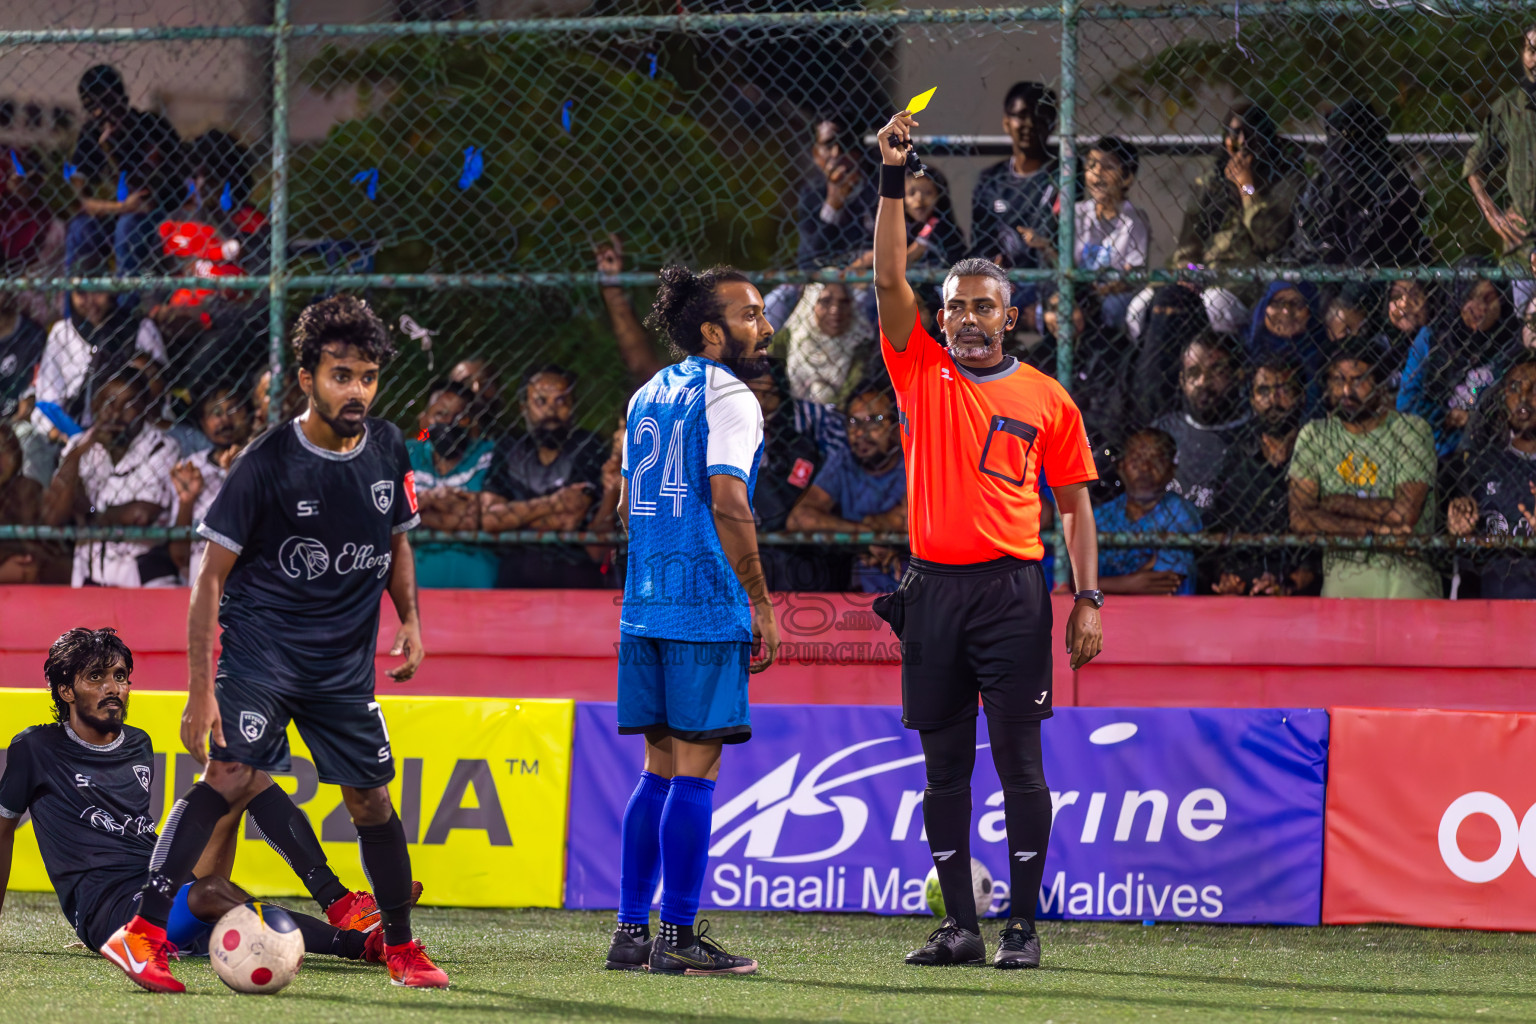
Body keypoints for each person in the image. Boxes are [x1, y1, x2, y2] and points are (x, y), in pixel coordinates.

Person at [98, 295, 448, 992]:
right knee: (226, 776)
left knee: (372, 803)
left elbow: (399, 539)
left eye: (368, 376)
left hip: (343, 669)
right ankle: (140, 934)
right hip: (263, 655)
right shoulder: (266, 462)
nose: (357, 390)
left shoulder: (386, 446)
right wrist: (201, 693)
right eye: (341, 374)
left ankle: (401, 948)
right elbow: (208, 581)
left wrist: (410, 621)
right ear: (307, 379)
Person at [871, 107, 1103, 970]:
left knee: (1021, 769)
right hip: (930, 591)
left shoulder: (1048, 398)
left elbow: (1076, 507)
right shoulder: (920, 370)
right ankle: (960, 927)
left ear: (1010, 318)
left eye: (983, 308)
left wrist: (1087, 599)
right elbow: (890, 279)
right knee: (942, 773)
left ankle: (1024, 928)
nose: (966, 319)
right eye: (954, 307)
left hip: (1013, 594)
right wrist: (894, 174)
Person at [0, 628, 386, 974]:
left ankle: (340, 904)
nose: (112, 688)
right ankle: (358, 945)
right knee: (212, 891)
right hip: (113, 910)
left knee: (244, 775)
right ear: (66, 691)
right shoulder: (35, 748)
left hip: (164, 882)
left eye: (119, 677)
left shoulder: (137, 742)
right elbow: (3, 833)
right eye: (96, 678)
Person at [606, 263, 777, 977]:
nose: (765, 326)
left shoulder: (648, 392)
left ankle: (629, 933)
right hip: (705, 608)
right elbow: (730, 501)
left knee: (658, 771)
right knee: (697, 776)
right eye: (750, 315)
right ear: (713, 331)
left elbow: (622, 506)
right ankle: (677, 937)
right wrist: (761, 602)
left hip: (644, 606)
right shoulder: (730, 394)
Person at [1289, 346, 1439, 598]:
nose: (1347, 391)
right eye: (1338, 380)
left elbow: (1404, 515)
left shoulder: (1410, 430)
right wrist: (1376, 532)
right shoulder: (1315, 436)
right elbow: (1301, 518)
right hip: (1342, 589)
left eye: (1358, 380)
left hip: (1406, 585)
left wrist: (1333, 503)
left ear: (1380, 385)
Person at [42, 367, 181, 588]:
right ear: (95, 406)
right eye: (109, 403)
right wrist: (79, 453)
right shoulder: (80, 446)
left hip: (142, 573)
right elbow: (55, 516)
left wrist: (88, 516)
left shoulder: (162, 447)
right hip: (88, 572)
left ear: (144, 409)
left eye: (128, 406)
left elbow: (140, 514)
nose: (116, 414)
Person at [480, 364, 608, 588]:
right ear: (524, 407)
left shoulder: (588, 445)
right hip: (516, 577)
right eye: (541, 401)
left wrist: (515, 516)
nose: (551, 410)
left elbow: (572, 516)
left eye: (560, 401)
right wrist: (555, 504)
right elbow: (491, 519)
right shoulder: (509, 447)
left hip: (575, 576)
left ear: (572, 406)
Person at [64, 66, 184, 301]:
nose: (100, 112)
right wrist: (120, 207)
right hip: (120, 211)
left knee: (128, 229)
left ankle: (126, 312)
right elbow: (79, 201)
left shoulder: (151, 127)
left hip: (160, 212)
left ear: (124, 99)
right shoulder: (91, 134)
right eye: (91, 107)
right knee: (80, 231)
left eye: (106, 102)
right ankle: (74, 317)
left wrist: (116, 153)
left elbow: (153, 193)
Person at [1209, 358, 1321, 597]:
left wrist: (1293, 583)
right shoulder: (1234, 458)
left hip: (1304, 589)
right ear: (1252, 400)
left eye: (1284, 390)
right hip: (1244, 586)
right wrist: (1229, 576)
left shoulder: (1319, 454)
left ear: (1301, 397)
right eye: (1264, 391)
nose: (1273, 400)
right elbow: (1217, 526)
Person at [29, 260, 167, 446]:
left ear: (111, 290)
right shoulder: (63, 333)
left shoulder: (139, 329)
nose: (90, 301)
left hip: (130, 430)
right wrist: (62, 435)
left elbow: (162, 395)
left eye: (97, 290)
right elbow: (47, 399)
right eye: (81, 293)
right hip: (71, 432)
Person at [786, 384, 908, 592]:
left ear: (897, 426)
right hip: (865, 585)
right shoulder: (844, 459)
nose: (860, 432)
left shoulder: (916, 457)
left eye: (874, 421)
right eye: (853, 422)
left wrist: (884, 529)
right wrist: (865, 536)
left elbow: (910, 517)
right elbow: (799, 518)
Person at [1023, 137, 1150, 331]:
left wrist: (1098, 291)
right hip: (1081, 290)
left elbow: (1129, 277)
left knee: (1111, 308)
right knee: (1051, 306)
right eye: (1091, 165)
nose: (1097, 173)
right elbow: (1068, 267)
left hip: (1111, 293)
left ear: (1126, 177)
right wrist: (1046, 247)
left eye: (1108, 167)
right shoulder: (1077, 213)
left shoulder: (1134, 221)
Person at [1288, 99, 1427, 267]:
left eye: (1354, 134)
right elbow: (1309, 240)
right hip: (1332, 273)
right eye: (1342, 135)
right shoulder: (1325, 180)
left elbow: (1405, 231)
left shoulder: (1390, 176)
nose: (1347, 145)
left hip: (1388, 273)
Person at [1401, 264, 1520, 458]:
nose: (1477, 307)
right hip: (1434, 449)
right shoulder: (1432, 337)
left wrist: (1474, 420)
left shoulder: (1513, 344)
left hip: (1493, 453)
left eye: (1488, 298)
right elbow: (1406, 403)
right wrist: (1443, 417)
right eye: (1468, 297)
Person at [1446, 355, 1536, 598]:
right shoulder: (1480, 463)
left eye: (1535, 389)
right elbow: (1465, 552)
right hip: (1489, 600)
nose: (1524, 397)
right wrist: (1461, 529)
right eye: (1515, 387)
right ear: (1503, 395)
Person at [1465, 23, 1536, 306]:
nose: (1535, 60)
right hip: (1520, 252)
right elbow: (1474, 164)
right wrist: (1493, 212)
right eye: (1531, 51)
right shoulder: (1508, 108)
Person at [407, 378, 498, 588]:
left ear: (473, 422)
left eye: (461, 417)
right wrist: (444, 502)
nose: (449, 423)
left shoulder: (488, 454)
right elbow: (390, 508)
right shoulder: (408, 452)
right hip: (417, 564)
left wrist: (421, 506)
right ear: (424, 421)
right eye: (440, 414)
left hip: (475, 562)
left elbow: (483, 512)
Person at [971, 81, 1060, 294]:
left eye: (1039, 116)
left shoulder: (1063, 176)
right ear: (1006, 122)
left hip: (1047, 282)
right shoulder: (991, 179)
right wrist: (993, 263)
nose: (1029, 123)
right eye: (1021, 115)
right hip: (999, 280)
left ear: (1053, 124)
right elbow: (981, 238)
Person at [1151, 333, 1251, 513]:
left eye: (1217, 371)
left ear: (1238, 375)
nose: (1203, 382)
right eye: (1194, 373)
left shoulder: (1253, 436)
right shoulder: (1163, 431)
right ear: (1182, 380)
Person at [1096, 428, 1202, 596]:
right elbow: (1075, 580)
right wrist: (1130, 583)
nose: (1145, 468)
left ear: (1171, 470)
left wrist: (1101, 584)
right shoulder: (1101, 515)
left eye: (1157, 460)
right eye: (1137, 459)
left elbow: (1165, 582)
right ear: (1121, 466)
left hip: (1166, 613)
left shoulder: (1181, 512)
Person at [168, 384, 253, 584]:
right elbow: (179, 556)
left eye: (233, 409)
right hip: (201, 588)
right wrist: (186, 502)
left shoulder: (262, 463)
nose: (224, 419)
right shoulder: (190, 467)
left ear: (249, 414)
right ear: (202, 423)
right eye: (215, 413)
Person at [776, 282, 878, 405]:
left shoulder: (862, 345)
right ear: (811, 305)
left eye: (844, 302)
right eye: (825, 301)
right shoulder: (786, 339)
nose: (835, 309)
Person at [796, 116, 877, 270]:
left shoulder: (880, 184)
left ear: (858, 151)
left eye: (845, 144)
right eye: (828, 145)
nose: (836, 153)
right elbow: (807, 260)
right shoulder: (811, 194)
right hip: (830, 277)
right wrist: (833, 204)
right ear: (816, 154)